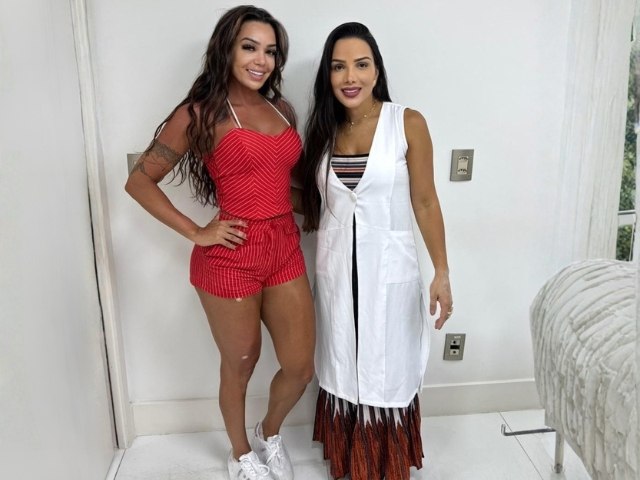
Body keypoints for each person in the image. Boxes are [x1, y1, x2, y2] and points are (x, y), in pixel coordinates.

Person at [124, 6, 315, 480]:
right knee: (241, 362)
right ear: (226, 50)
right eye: (249, 47)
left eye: (270, 51)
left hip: (284, 247)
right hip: (231, 256)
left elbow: (275, 181)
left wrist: (323, 205)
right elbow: (139, 181)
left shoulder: (282, 109)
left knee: (299, 367)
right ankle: (240, 453)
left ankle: (269, 432)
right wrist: (197, 231)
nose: (261, 60)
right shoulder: (199, 113)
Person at [296, 22, 453, 480]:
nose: (351, 77)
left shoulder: (406, 123)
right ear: (327, 75)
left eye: (361, 65)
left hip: (388, 271)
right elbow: (309, 198)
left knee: (389, 365)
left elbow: (425, 201)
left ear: (376, 70)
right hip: (337, 273)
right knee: (343, 360)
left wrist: (442, 272)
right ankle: (351, 458)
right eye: (338, 67)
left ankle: (384, 462)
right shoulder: (323, 131)